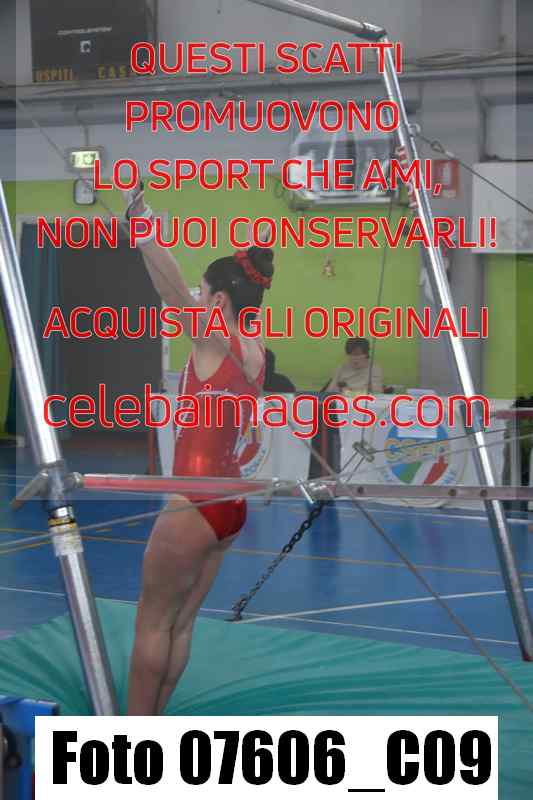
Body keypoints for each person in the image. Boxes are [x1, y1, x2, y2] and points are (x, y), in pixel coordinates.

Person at [124, 186, 274, 715]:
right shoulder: (256, 349)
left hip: (193, 498)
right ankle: (153, 721)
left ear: (219, 301)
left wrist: (143, 224)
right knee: (181, 623)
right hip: (230, 504)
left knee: (152, 621)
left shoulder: (214, 338)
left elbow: (169, 292)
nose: (196, 297)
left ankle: (130, 736)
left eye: (203, 292)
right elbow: (178, 295)